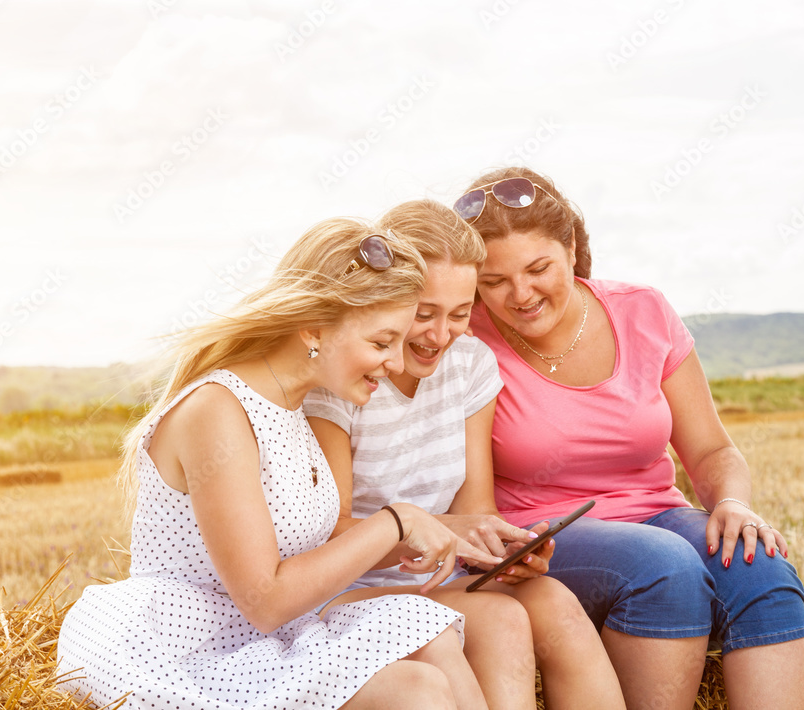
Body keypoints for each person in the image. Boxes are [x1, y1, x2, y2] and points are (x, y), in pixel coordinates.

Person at [56, 217, 510, 710]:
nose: (397, 363)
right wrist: (397, 522)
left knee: (429, 629)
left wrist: (428, 537)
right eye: (381, 343)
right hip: (187, 648)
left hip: (259, 639)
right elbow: (265, 600)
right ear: (314, 329)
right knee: (418, 691)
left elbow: (312, 554)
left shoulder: (296, 409)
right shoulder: (217, 411)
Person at [452, 167, 804, 710]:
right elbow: (473, 503)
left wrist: (734, 503)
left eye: (538, 269)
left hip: (658, 515)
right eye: (494, 281)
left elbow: (711, 449)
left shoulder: (643, 309)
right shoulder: (466, 339)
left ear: (572, 246)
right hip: (540, 535)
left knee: (758, 565)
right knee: (663, 565)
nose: (520, 294)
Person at [305, 200, 625, 710]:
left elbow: (476, 511)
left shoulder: (470, 364)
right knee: (501, 622)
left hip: (442, 578)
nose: (439, 336)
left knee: (558, 607)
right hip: (351, 589)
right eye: (423, 314)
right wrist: (434, 534)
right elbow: (327, 531)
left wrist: (499, 549)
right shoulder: (345, 381)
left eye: (458, 314)